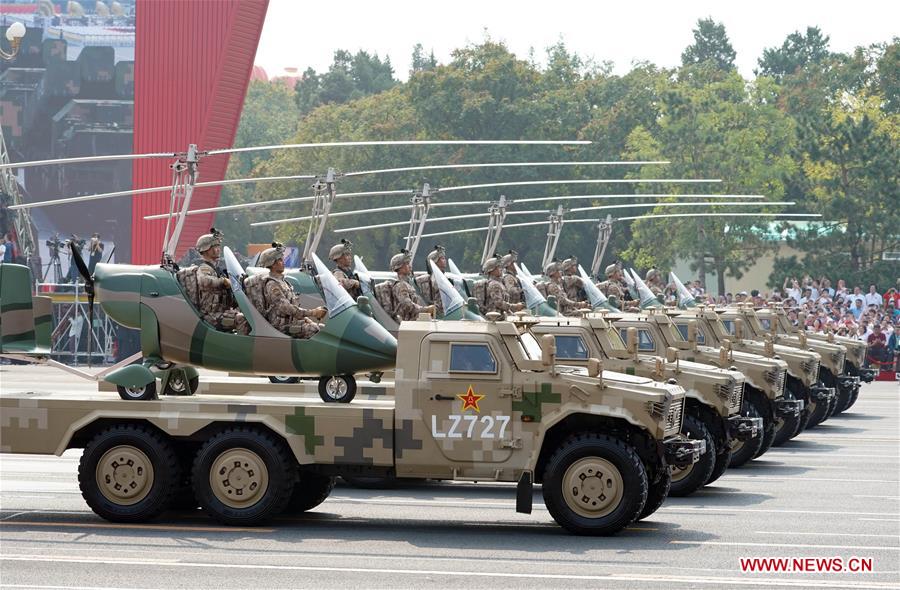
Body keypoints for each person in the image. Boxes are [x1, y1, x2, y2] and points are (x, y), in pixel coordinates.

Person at [256, 244, 327, 338]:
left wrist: (307, 319)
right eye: (280, 260)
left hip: (290, 322)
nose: (283, 262)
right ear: (272, 264)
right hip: (280, 326)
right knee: (313, 329)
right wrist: (313, 312)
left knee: (323, 329)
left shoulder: (284, 282)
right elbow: (287, 308)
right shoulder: (272, 284)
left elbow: (294, 306)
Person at [191, 229, 249, 335]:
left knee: (250, 315)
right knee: (242, 319)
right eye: (214, 247)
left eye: (218, 246)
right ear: (206, 249)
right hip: (211, 314)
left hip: (222, 311)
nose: (218, 249)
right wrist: (223, 281)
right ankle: (242, 348)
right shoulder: (204, 268)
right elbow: (204, 281)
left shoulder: (217, 269)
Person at [390, 250, 434, 322]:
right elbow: (407, 305)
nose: (410, 266)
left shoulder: (407, 284)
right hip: (408, 324)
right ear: (399, 267)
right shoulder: (400, 285)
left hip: (413, 322)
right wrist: (426, 309)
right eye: (407, 263)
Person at [415, 245, 448, 316]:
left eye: (444, 258)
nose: (445, 260)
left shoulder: (445, 279)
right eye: (442, 258)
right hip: (435, 315)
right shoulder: (425, 281)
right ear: (434, 261)